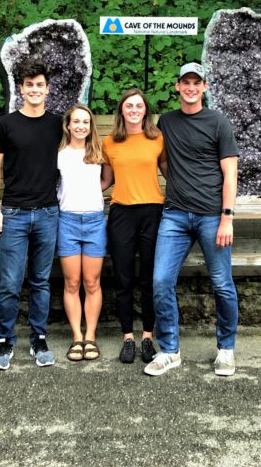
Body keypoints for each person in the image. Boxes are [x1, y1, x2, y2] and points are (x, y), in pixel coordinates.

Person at [144, 62, 240, 377]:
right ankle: (170, 351)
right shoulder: (166, 122)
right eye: (185, 82)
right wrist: (177, 183)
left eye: (196, 82)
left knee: (222, 284)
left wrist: (227, 217)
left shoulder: (218, 122)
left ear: (205, 87)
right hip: (174, 215)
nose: (190, 87)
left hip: (212, 215)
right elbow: (162, 160)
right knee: (160, 281)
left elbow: (230, 172)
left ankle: (226, 350)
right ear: (177, 86)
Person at [0, 60, 62, 370]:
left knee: (41, 281)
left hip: (48, 212)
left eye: (39, 85)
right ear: (21, 89)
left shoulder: (58, 124)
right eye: (29, 85)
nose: (34, 89)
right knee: (11, 282)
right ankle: (5, 341)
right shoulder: (5, 124)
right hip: (14, 213)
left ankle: (39, 338)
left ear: (48, 89)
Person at [101, 89, 165, 364]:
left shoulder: (157, 139)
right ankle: (128, 337)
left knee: (149, 279)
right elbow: (104, 181)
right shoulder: (110, 142)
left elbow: (170, 173)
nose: (134, 109)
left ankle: (148, 337)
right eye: (129, 106)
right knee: (123, 279)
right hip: (121, 213)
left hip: (152, 212)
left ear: (145, 110)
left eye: (139, 106)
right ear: (122, 111)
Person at [56, 104, 107, 362]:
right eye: (76, 122)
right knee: (72, 282)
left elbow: (108, 179)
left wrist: (93, 194)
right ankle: (77, 336)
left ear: (90, 126)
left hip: (95, 221)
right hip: (67, 222)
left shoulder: (97, 151)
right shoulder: (59, 154)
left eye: (85, 122)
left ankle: (91, 336)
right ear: (68, 125)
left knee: (92, 282)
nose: (80, 126)